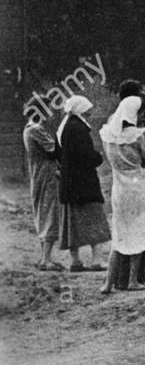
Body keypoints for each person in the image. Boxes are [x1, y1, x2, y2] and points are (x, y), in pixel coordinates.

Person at [98, 96, 145, 294]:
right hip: (139, 183)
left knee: (120, 233)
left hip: (119, 185)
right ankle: (132, 280)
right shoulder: (138, 134)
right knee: (138, 232)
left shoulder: (108, 135)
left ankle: (108, 283)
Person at [55, 95, 111, 271]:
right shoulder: (79, 129)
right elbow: (87, 156)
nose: (90, 114)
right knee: (94, 219)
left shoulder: (63, 128)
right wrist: (98, 157)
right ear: (80, 111)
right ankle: (96, 260)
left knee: (72, 224)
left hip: (69, 183)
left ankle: (75, 261)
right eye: (87, 111)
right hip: (84, 184)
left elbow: (58, 155)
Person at [23, 116, 63, 270]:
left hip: (37, 174)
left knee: (42, 213)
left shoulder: (28, 128)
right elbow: (53, 150)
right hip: (47, 175)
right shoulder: (36, 129)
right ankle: (46, 259)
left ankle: (44, 258)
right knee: (50, 213)